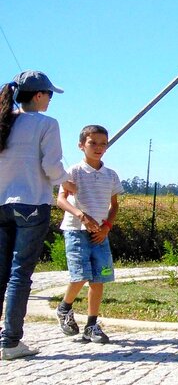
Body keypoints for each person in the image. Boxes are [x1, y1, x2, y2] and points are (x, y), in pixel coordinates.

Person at [0, 70, 75, 360]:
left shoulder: (5, 121)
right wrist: (66, 180)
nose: (51, 100)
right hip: (31, 204)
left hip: (1, 204)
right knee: (20, 275)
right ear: (39, 95)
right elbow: (52, 166)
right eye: (50, 94)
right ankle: (10, 341)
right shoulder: (46, 124)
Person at [54, 125, 122, 344]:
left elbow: (114, 205)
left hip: (100, 235)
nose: (99, 148)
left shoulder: (111, 175)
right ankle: (65, 307)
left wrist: (107, 227)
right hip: (76, 230)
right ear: (82, 145)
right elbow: (61, 199)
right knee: (80, 275)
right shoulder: (73, 172)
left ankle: (91, 325)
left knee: (98, 278)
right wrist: (81, 215)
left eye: (103, 144)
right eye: (93, 143)